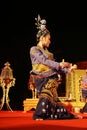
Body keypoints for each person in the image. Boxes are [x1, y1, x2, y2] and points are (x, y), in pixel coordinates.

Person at [29, 14, 82, 120]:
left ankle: (66, 115)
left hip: (51, 78)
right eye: (49, 39)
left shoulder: (50, 54)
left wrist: (68, 69)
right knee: (47, 93)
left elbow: (55, 68)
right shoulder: (34, 50)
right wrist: (61, 64)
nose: (50, 41)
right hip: (40, 78)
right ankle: (38, 115)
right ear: (43, 38)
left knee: (54, 102)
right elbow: (44, 61)